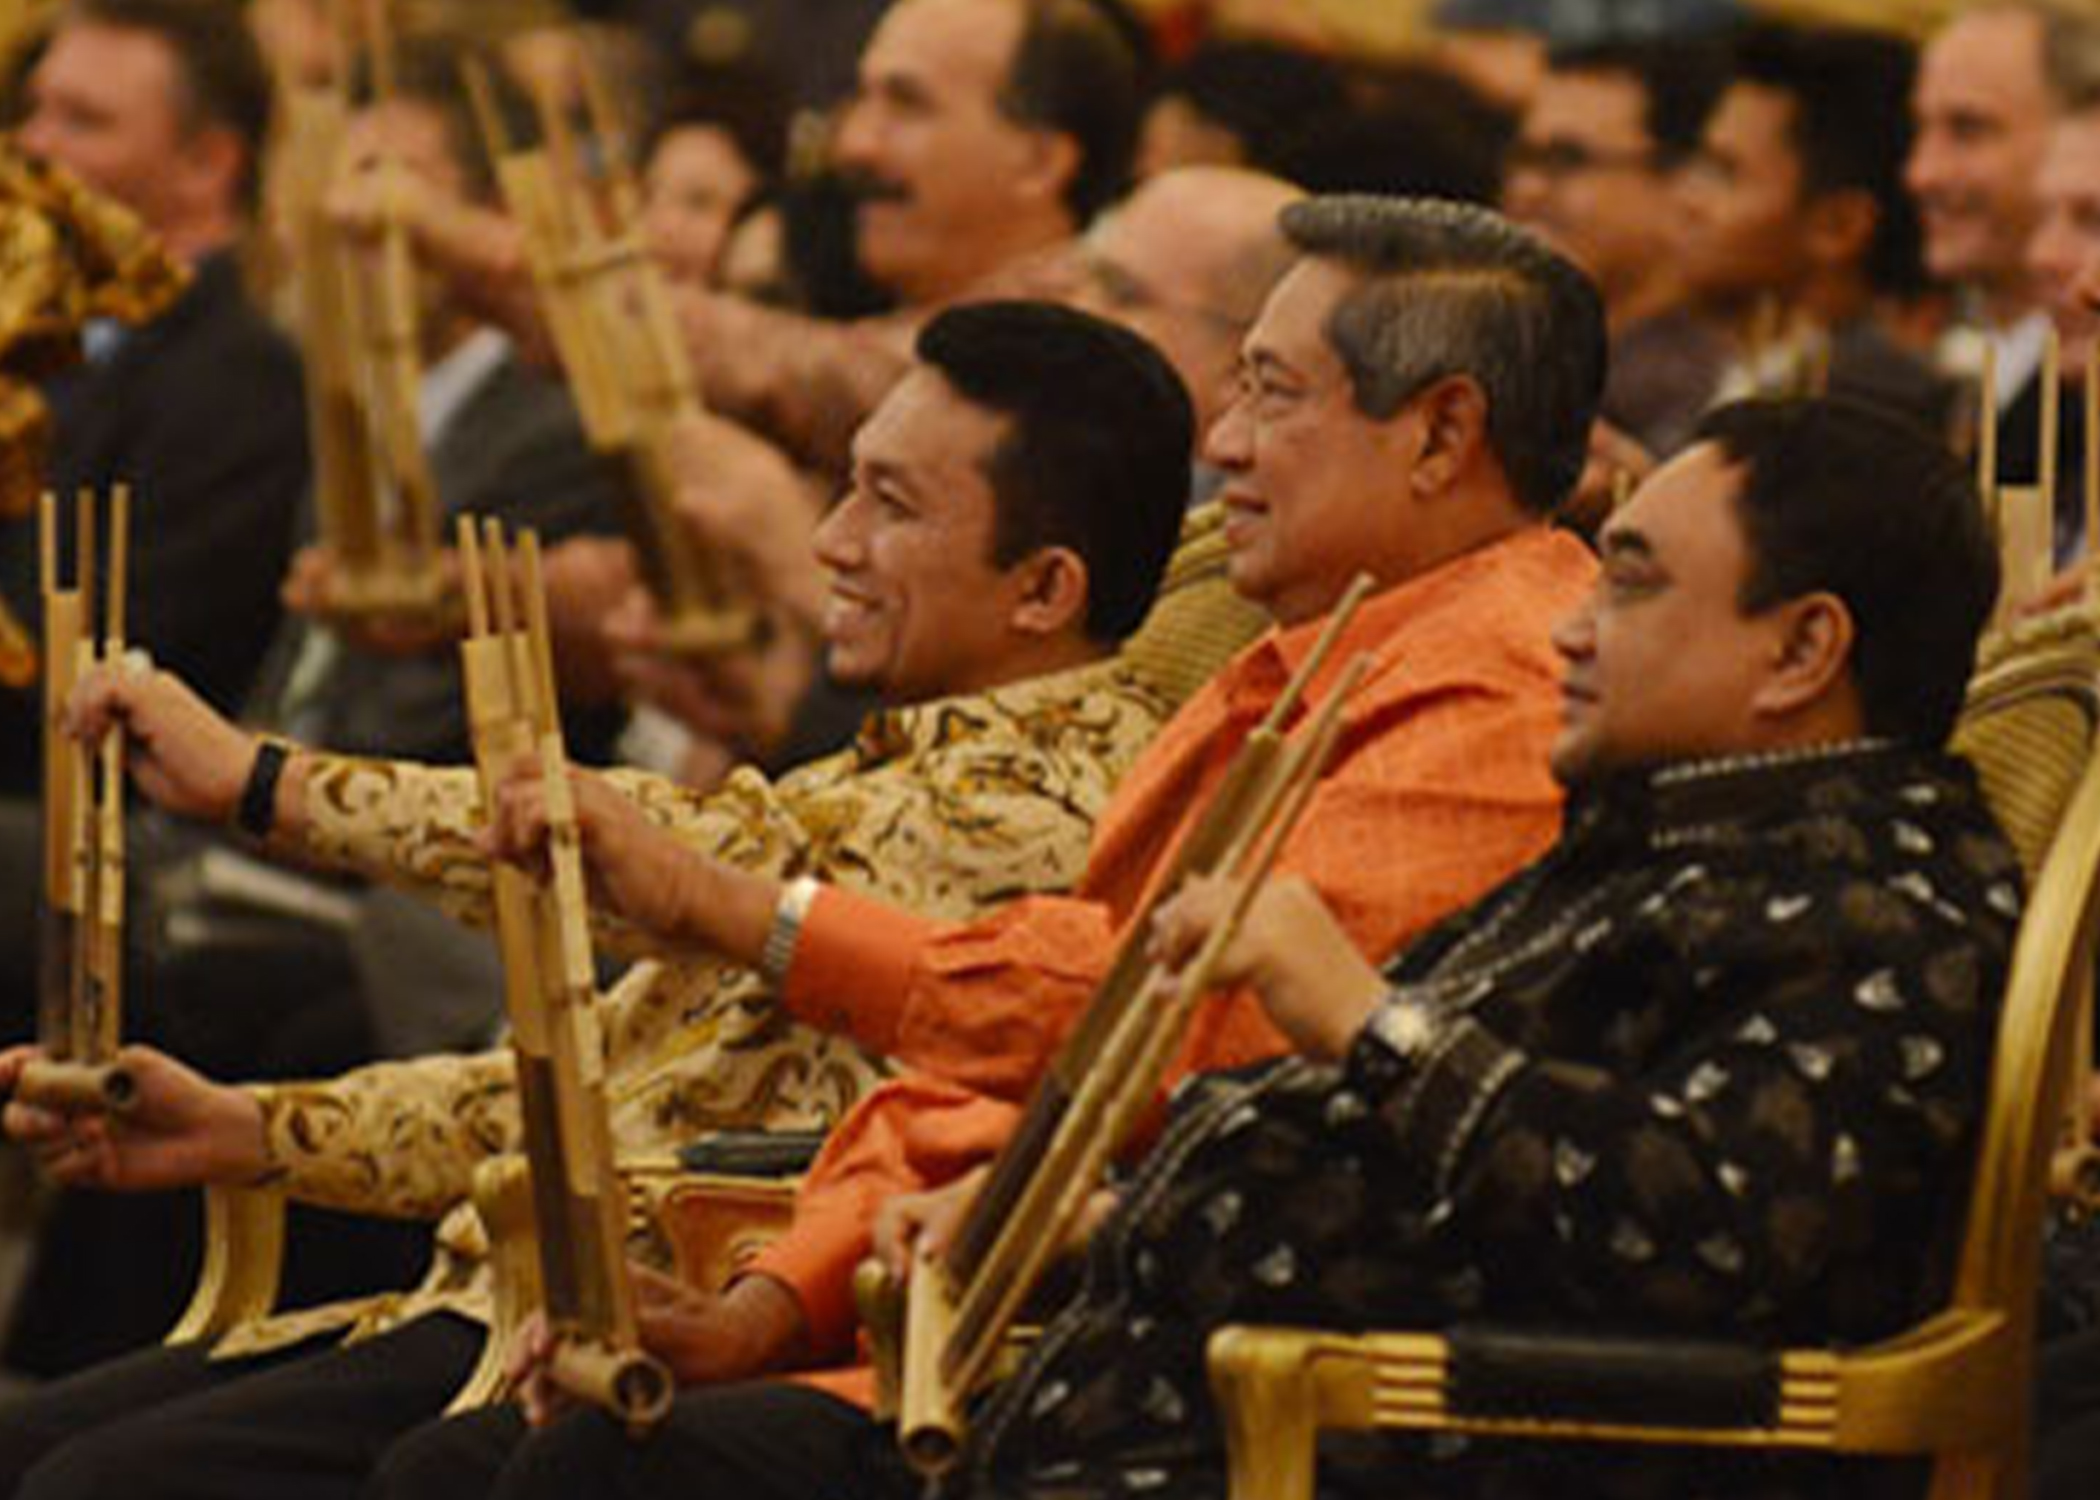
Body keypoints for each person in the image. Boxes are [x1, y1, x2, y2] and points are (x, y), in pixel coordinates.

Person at [422, 394, 2019, 1500]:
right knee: (528, 1453)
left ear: (1803, 649)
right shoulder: (1652, 842)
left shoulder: (1886, 914)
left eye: (1637, 585)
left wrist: (1370, 1023)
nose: (1574, 624)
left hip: (1321, 1450)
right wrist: (1061, 1221)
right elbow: (1346, 1156)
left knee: (603, 1476)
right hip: (1107, 1403)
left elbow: (1698, 1241)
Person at [351, 193, 1606, 1495]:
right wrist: (769, 1307)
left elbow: (1166, 1043)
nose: (1224, 441)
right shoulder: (1304, 653)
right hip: (958, 1321)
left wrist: (741, 910)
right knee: (467, 1460)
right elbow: (1011, 1071)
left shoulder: (1498, 695)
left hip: (1158, 1370)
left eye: (1273, 396)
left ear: (1441, 432)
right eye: (1236, 387)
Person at [0, 299, 1196, 1500]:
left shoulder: (1044, 808)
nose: (831, 542)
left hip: (632, 1335)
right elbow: (600, 1074)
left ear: (1044, 589)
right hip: (494, 1299)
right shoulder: (898, 762)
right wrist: (255, 1129)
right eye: (846, 487)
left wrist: (266, 784)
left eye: (891, 505)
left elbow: (639, 857)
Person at [1677, 23, 1954, 438]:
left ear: (1838, 227)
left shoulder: (1865, 404)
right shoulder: (1780, 364)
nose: (1688, 200)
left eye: (1726, 173)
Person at [1501, 35, 1730, 456]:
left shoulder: (1712, 391)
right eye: (1524, 156)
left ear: (1683, 182)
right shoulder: (1522, 359)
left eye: (1567, 160)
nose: (1526, 188)